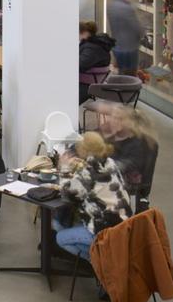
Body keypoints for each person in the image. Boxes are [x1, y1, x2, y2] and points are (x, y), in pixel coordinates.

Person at [55, 130, 134, 263]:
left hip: (105, 232)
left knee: (60, 236)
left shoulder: (88, 172)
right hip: (124, 227)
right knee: (68, 222)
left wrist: (64, 167)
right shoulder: (110, 162)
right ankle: (103, 258)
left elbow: (66, 193)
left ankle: (100, 264)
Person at [98, 102, 159, 202]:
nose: (114, 121)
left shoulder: (141, 143)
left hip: (129, 181)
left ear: (130, 122)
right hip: (116, 177)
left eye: (120, 119)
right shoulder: (113, 132)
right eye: (113, 117)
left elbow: (128, 164)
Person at [106, 0, 144, 76]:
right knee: (130, 75)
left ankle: (121, 87)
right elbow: (136, 27)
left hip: (117, 46)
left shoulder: (111, 6)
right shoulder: (127, 8)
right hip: (129, 47)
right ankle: (130, 88)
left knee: (121, 72)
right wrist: (142, 34)